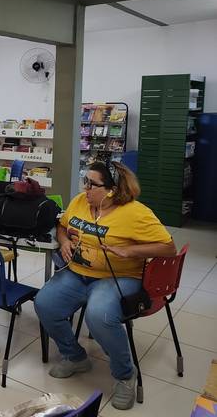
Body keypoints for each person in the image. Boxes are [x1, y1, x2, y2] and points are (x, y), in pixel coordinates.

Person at [35, 161, 175, 411]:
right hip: (78, 273)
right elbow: (62, 226)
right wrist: (64, 241)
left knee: (98, 315)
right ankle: (75, 357)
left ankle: (125, 374)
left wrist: (130, 251)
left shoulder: (136, 213)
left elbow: (168, 248)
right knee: (45, 303)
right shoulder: (80, 202)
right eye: (85, 181)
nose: (85, 188)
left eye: (92, 184)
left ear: (112, 190)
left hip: (119, 277)